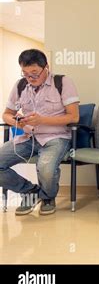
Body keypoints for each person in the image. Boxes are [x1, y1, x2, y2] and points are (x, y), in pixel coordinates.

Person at [0, 49, 80, 215]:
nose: (30, 78)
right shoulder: (20, 85)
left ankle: (48, 197)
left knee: (45, 167)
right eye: (25, 73)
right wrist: (17, 122)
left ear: (46, 67)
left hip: (56, 138)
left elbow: (74, 117)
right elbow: (7, 114)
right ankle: (30, 192)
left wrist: (42, 120)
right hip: (28, 137)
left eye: (35, 72)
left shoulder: (63, 82)